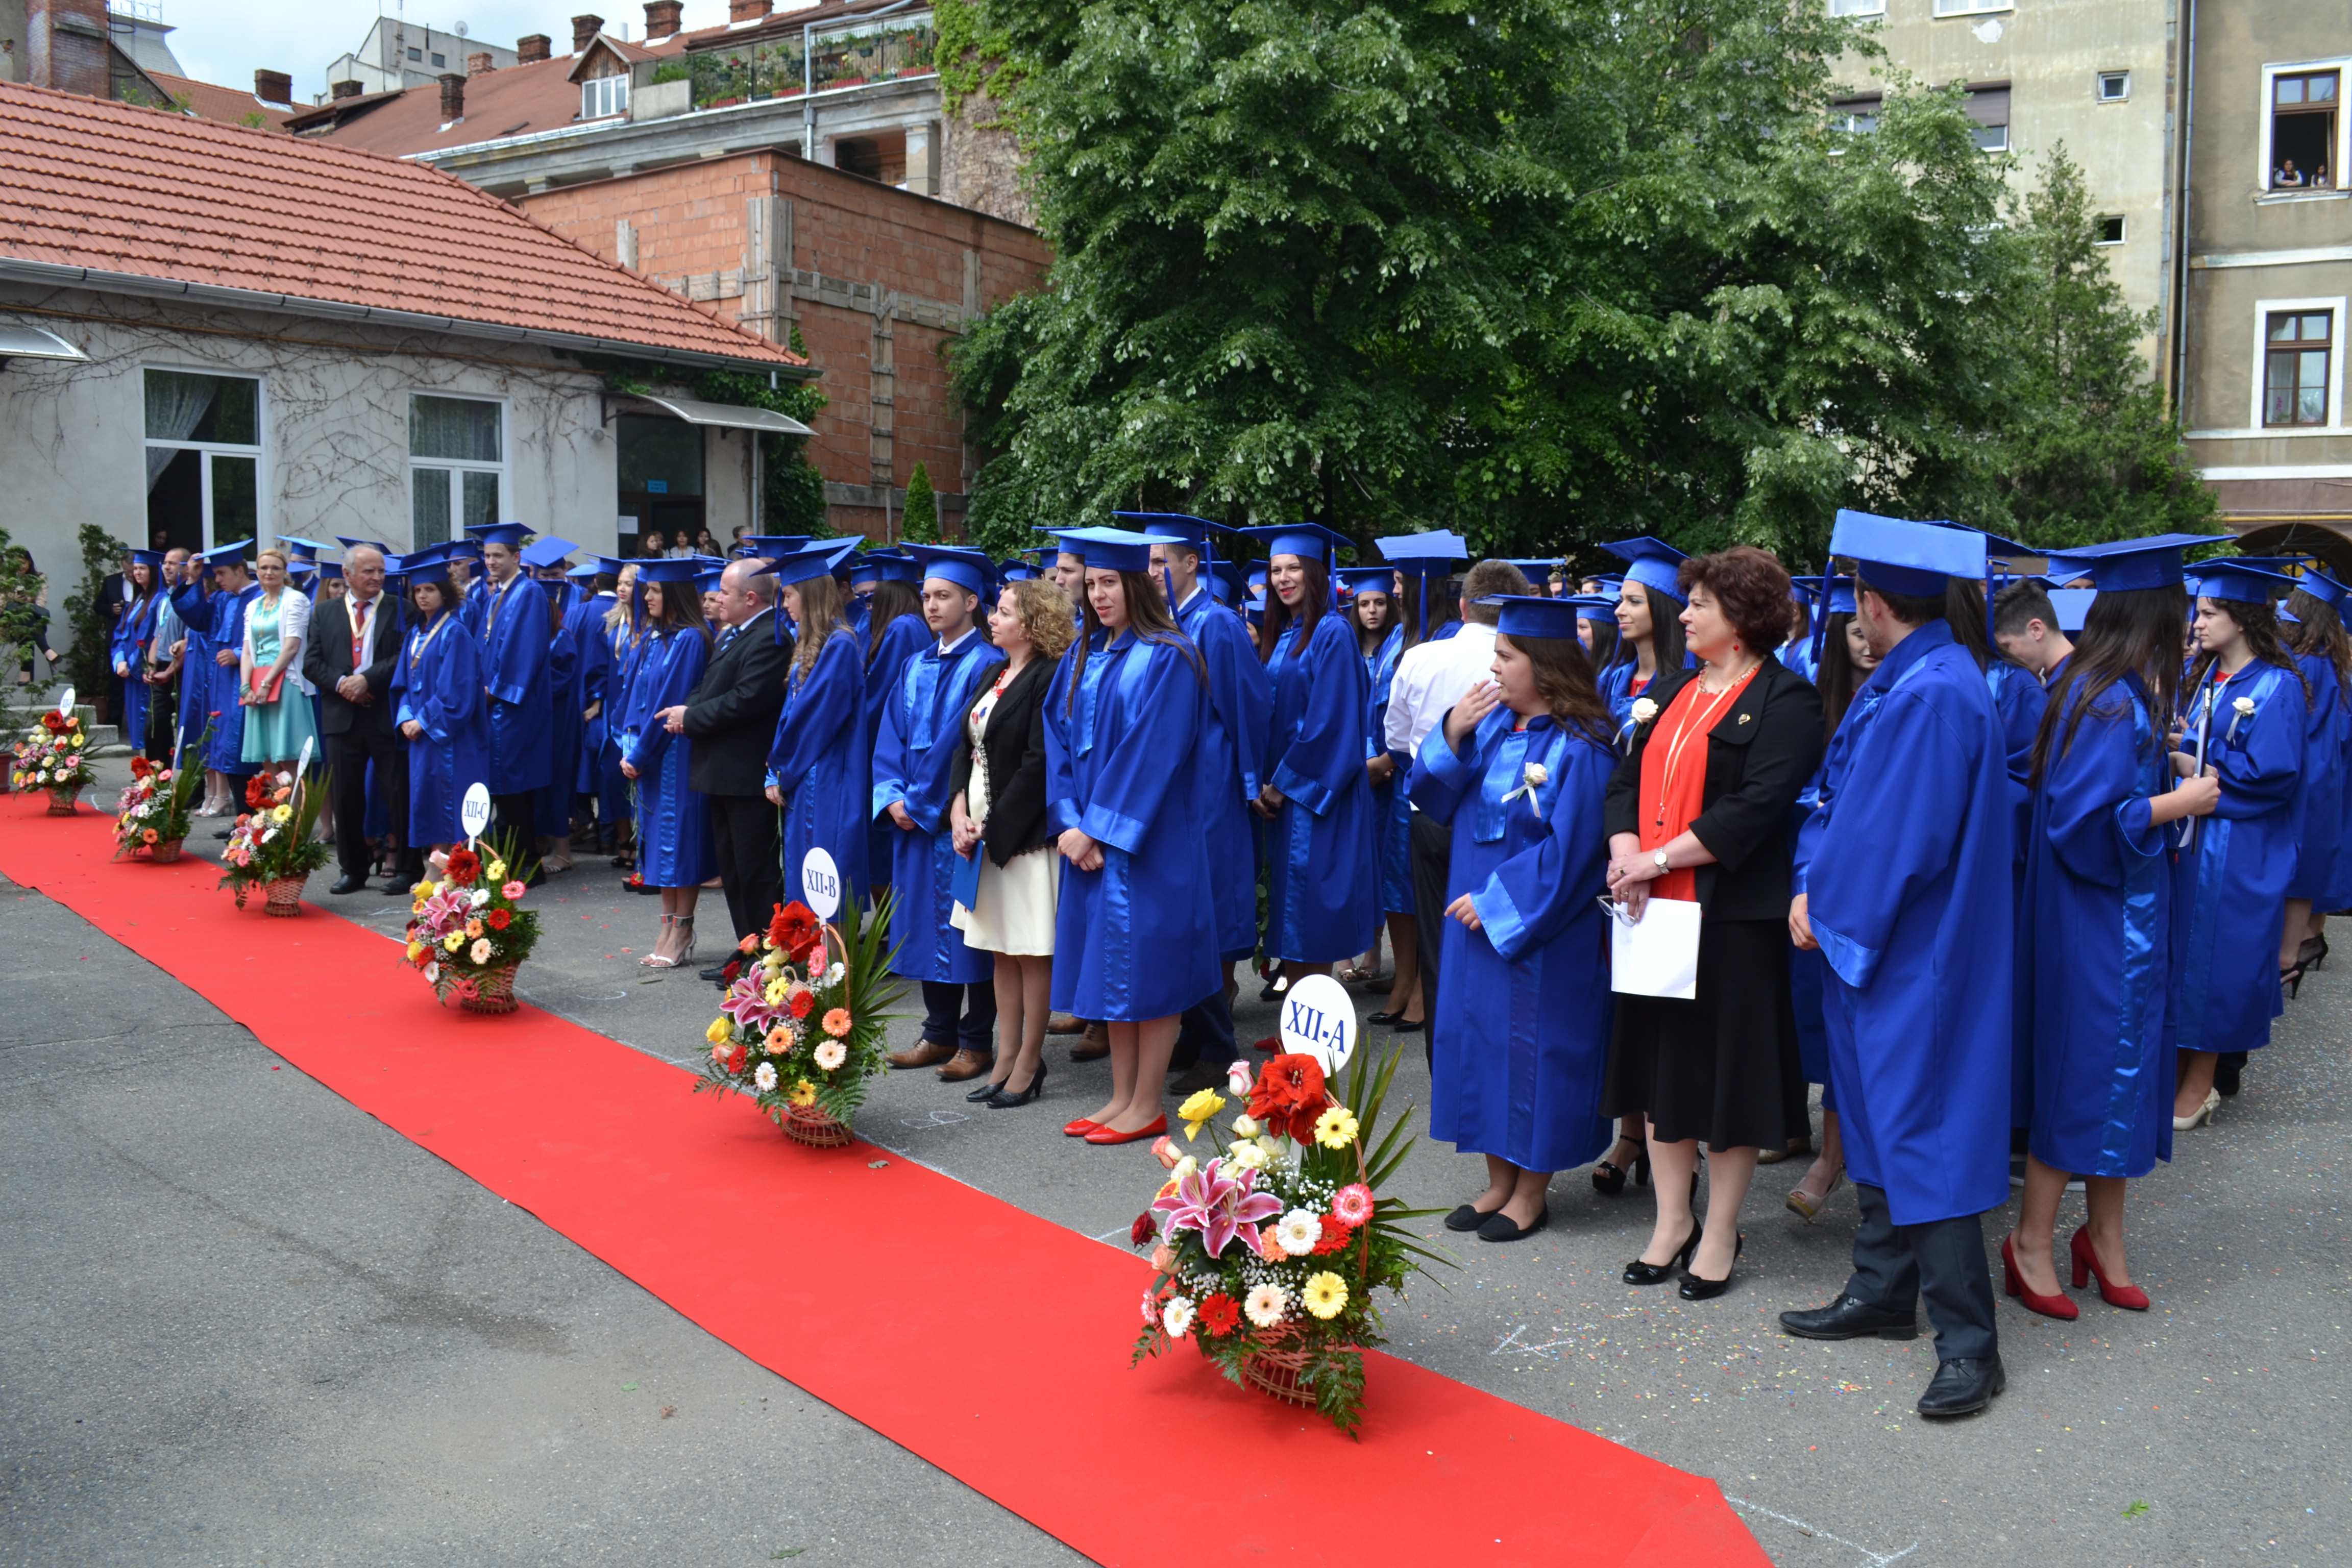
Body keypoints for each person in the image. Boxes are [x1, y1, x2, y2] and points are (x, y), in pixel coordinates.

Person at [1782, 511, 2013, 1420]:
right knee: (1876, 1116)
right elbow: (1849, 807)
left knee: (1925, 1131)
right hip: (1891, 939)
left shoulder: (1928, 694)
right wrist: (1817, 880)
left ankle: (1969, 1342)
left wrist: (1821, 903)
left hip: (1914, 950)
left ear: (1874, 604)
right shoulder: (1921, 676)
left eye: (1859, 605)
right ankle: (1881, 1293)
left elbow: (1893, 840)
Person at [2007, 535, 2219, 1320]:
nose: (2190, 625)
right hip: (2100, 922)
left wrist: (2161, 770)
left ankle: (2105, 1238)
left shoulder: (2106, 686)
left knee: (2123, 1075)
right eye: (2183, 613)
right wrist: (2180, 802)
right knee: (2085, 1072)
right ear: (2154, 615)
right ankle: (2031, 1241)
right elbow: (2085, 823)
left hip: (2117, 919)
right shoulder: (2109, 699)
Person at [1603, 547, 1823, 1298]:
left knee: (1727, 1079)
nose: (1684, 613)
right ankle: (1671, 1221)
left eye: (1698, 603)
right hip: (1653, 912)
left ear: (1741, 619)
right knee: (1664, 1073)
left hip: (1730, 918)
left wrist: (1654, 862)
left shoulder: (1790, 700)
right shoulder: (1667, 691)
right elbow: (1623, 782)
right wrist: (1626, 852)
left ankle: (1720, 1229)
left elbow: (1755, 809)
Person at [1409, 594, 1619, 1241]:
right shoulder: (1496, 725)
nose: (1493, 667)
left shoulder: (1585, 746)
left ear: (1545, 665)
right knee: (1480, 1047)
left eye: (1505, 656)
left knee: (1536, 1056)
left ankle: (1531, 1193)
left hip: (1539, 930)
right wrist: (1451, 731)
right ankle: (1498, 1182)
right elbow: (1431, 800)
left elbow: (1577, 851)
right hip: (1473, 918)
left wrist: (1498, 903)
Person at [1043, 527, 1217, 1144]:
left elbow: (1155, 753)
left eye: (1109, 582)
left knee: (1152, 970)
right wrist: (1069, 822)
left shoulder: (1169, 654)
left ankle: (1146, 1104)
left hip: (1151, 844)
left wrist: (1096, 830)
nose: (1097, 596)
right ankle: (1120, 1097)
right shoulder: (1082, 655)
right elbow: (1055, 743)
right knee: (1110, 970)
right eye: (1090, 585)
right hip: (1089, 847)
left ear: (1139, 584)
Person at [2168, 560, 2307, 1127]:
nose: (2197, 624)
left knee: (2221, 963)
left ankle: (2201, 1084)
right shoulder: (2208, 678)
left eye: (2209, 612)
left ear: (2243, 619)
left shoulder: (2279, 686)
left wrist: (2194, 765)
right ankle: (2181, 1071)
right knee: (2184, 957)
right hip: (2196, 841)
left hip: (2241, 847)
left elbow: (2275, 774)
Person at [1383, 560, 1535, 1067]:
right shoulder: (1532, 663)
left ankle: (1445, 1059)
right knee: (1495, 936)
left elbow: (1396, 740)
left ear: (1464, 605)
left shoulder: (1419, 657)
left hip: (1429, 812)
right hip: (1504, 820)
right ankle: (1494, 1054)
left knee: (1437, 940)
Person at [1143, 523, 1272, 1089]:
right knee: (1186, 915)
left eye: (1158, 562)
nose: (1150, 573)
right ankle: (1196, 1035)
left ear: (1192, 563)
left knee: (1209, 916)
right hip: (1182, 788)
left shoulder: (1216, 622)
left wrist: (1249, 779)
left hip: (1213, 787)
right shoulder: (1169, 623)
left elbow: (1246, 703)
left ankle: (1218, 1047)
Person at [873, 545, 1003, 1081]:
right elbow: (890, 739)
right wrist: (891, 796)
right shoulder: (913, 663)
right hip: (914, 820)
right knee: (926, 930)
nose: (931, 605)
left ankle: (977, 1041)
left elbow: (959, 742)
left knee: (971, 933)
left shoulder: (988, 664)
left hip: (959, 818)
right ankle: (938, 1033)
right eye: (926, 595)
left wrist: (922, 804)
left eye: (943, 596)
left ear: (972, 601)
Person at [948, 575, 1076, 1108]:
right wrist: (958, 811)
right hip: (979, 830)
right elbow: (965, 747)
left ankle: (1029, 1061)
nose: (993, 619)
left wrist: (994, 828)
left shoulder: (1048, 677)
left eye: (1002, 612)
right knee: (1001, 951)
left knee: (1030, 952)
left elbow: (1038, 762)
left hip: (1019, 836)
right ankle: (1004, 1057)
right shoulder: (995, 672)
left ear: (1032, 623)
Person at [1243, 523, 1379, 992]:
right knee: (1291, 920)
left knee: (1313, 921)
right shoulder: (1282, 635)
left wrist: (1280, 785)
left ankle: (1309, 1051)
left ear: (1316, 573)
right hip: (1282, 798)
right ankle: (1294, 1035)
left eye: (1294, 568)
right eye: (1276, 570)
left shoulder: (1333, 632)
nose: (1283, 578)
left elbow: (1331, 724)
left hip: (1316, 796)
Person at [1785, 580, 1874, 1218]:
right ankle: (1815, 1138)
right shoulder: (1818, 703)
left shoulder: (1908, 698)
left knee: (1857, 1021)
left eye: (1874, 628)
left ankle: (1836, 1155)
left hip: (1867, 880)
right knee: (1813, 1018)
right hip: (1808, 874)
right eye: (1855, 631)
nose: (1868, 642)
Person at [654, 556, 792, 960]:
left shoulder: (770, 636)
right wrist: (688, 710)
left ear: (750, 598)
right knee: (733, 870)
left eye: (724, 593)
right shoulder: (734, 634)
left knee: (755, 871)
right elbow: (706, 687)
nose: (715, 599)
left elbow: (747, 700)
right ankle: (749, 948)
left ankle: (768, 954)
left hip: (745, 772)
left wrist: (691, 717)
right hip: (720, 770)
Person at [765, 543, 873, 938]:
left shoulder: (840, 645)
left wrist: (782, 769)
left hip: (829, 779)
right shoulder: (811, 646)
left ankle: (834, 977)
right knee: (806, 878)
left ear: (809, 595)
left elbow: (815, 722)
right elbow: (790, 715)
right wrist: (775, 768)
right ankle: (812, 974)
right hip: (806, 777)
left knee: (829, 875)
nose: (785, 605)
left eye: (789, 595)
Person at [620, 559, 718, 967]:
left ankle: (682, 929)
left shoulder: (691, 640)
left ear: (674, 595)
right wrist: (626, 746)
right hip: (650, 755)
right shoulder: (653, 639)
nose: (646, 598)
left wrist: (640, 754)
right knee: (658, 849)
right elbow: (632, 699)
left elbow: (668, 706)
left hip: (676, 754)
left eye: (655, 591)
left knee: (679, 843)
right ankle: (666, 925)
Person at [304, 544, 414, 895]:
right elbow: (312, 662)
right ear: (347, 574)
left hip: (384, 713)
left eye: (381, 571)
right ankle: (353, 869)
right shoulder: (325, 613)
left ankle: (408, 868)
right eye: (369, 571)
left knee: (398, 792)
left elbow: (404, 657)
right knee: (346, 795)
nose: (377, 578)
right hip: (342, 716)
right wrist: (343, 684)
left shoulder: (401, 610)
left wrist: (368, 680)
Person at [1342, 566, 1423, 1030]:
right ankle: (1402, 978)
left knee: (1406, 884)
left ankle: (1414, 984)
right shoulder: (1394, 641)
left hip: (1400, 774)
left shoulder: (1421, 639)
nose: (1380, 603)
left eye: (1390, 593)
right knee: (1390, 881)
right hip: (1375, 772)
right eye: (1366, 601)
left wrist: (1387, 762)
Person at [2278, 571, 2351, 994]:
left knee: (2296, 863)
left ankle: (2290, 955)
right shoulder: (2337, 665)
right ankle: (2309, 940)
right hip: (2333, 773)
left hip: (2306, 771)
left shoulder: (2301, 664)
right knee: (2317, 860)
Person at [390, 553, 490, 854]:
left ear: (445, 593)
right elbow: (402, 684)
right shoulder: (414, 634)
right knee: (428, 797)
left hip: (449, 735)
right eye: (418, 591)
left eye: (430, 590)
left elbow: (457, 690)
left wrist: (423, 720)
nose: (422, 596)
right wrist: (406, 717)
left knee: (450, 798)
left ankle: (449, 868)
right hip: (421, 733)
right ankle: (436, 863)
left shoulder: (455, 633)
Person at [464, 525, 553, 863]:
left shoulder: (528, 592)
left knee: (513, 781)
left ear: (516, 557)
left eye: (497, 555)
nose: (490, 561)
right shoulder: (496, 594)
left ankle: (526, 861)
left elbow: (525, 649)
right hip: (492, 701)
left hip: (513, 703)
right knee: (501, 782)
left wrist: (496, 690)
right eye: (486, 556)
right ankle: (510, 859)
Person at [1599, 537, 1690, 746]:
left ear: (1663, 609)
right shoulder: (1610, 680)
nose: (1619, 611)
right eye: (1622, 601)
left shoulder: (1688, 684)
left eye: (1635, 602)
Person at [109, 552, 162, 760]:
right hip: (130, 673)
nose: (137, 572)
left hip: (145, 673)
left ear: (153, 571)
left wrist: (131, 665)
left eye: (142, 568)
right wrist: (119, 660)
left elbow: (149, 639)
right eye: (135, 568)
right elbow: (121, 635)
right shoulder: (137, 600)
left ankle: (152, 769)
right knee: (137, 725)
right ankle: (143, 770)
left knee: (149, 724)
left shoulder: (159, 600)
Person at [1993, 580, 2076, 680]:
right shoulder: (2060, 677)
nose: (2005, 658)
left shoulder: (2081, 685)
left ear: (2036, 630)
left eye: (2007, 646)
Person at [2, 546, 50, 688]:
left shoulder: (39, 578)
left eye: (23, 562)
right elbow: (2, 602)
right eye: (17, 563)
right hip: (8, 621)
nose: (21, 566)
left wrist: (28, 599)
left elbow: (40, 605)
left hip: (32, 619)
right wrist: (15, 598)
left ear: (29, 562)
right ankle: (47, 651)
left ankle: (26, 675)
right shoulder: (6, 579)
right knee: (22, 616)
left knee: (27, 618)